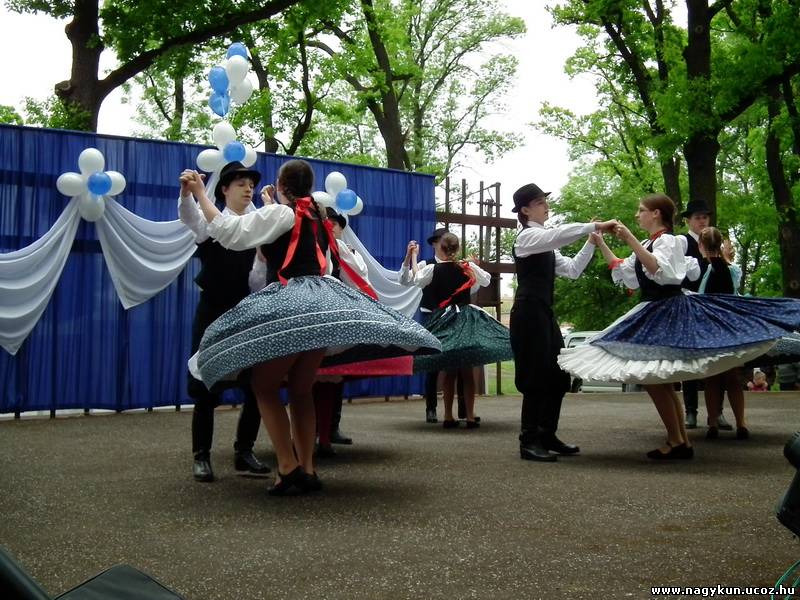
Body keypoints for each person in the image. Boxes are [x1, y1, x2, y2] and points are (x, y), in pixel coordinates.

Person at [182, 159, 440, 495]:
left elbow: (229, 232)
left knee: (264, 386)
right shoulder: (318, 218)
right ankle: (307, 467)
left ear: (282, 185)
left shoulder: (283, 214)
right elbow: (325, 265)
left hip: (292, 303)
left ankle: (287, 467)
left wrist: (201, 194)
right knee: (301, 390)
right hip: (321, 303)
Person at [561, 193, 800, 459]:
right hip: (652, 311)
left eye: (641, 210)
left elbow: (661, 272)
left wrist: (628, 238)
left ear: (656, 214)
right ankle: (680, 441)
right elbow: (627, 273)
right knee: (658, 380)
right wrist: (601, 243)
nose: (637, 215)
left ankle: (677, 440)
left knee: (655, 379)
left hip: (667, 311)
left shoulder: (669, 241)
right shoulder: (648, 242)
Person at [509, 183, 617, 462]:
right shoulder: (527, 237)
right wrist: (594, 225)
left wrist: (590, 242)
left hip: (543, 312)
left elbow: (572, 270)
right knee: (535, 375)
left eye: (545, 201)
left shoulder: (545, 243)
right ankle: (528, 441)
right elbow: (557, 236)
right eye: (540, 202)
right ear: (525, 210)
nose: (546, 206)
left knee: (558, 375)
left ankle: (546, 434)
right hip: (528, 313)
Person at [178, 160, 270, 483]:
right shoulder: (211, 220)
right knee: (205, 384)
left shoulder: (258, 225)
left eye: (251, 184)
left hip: (246, 313)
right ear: (225, 189)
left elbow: (259, 279)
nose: (248, 189)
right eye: (241, 183)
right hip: (212, 312)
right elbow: (190, 217)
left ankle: (244, 452)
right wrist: (187, 193)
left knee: (257, 385)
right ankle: (201, 456)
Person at [409, 232, 511, 427]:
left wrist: (414, 256)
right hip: (465, 319)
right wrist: (473, 266)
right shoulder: (466, 267)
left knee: (449, 370)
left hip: (444, 319)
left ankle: (448, 416)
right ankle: (470, 416)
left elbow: (417, 279)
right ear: (457, 249)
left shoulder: (433, 268)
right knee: (467, 369)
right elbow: (486, 280)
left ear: (441, 248)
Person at [400, 229, 469, 424]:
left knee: (460, 360)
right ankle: (431, 408)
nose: (445, 244)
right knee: (433, 361)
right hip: (431, 315)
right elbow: (405, 280)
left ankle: (464, 408)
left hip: (454, 316)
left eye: (447, 241)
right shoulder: (426, 265)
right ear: (435, 244)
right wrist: (409, 257)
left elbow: (472, 288)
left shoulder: (460, 267)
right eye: (441, 241)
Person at [697, 226, 749, 440]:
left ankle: (712, 423)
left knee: (712, 378)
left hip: (712, 330)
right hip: (731, 329)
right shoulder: (732, 270)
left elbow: (702, 297)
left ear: (701, 245)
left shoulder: (709, 270)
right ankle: (741, 423)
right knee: (733, 378)